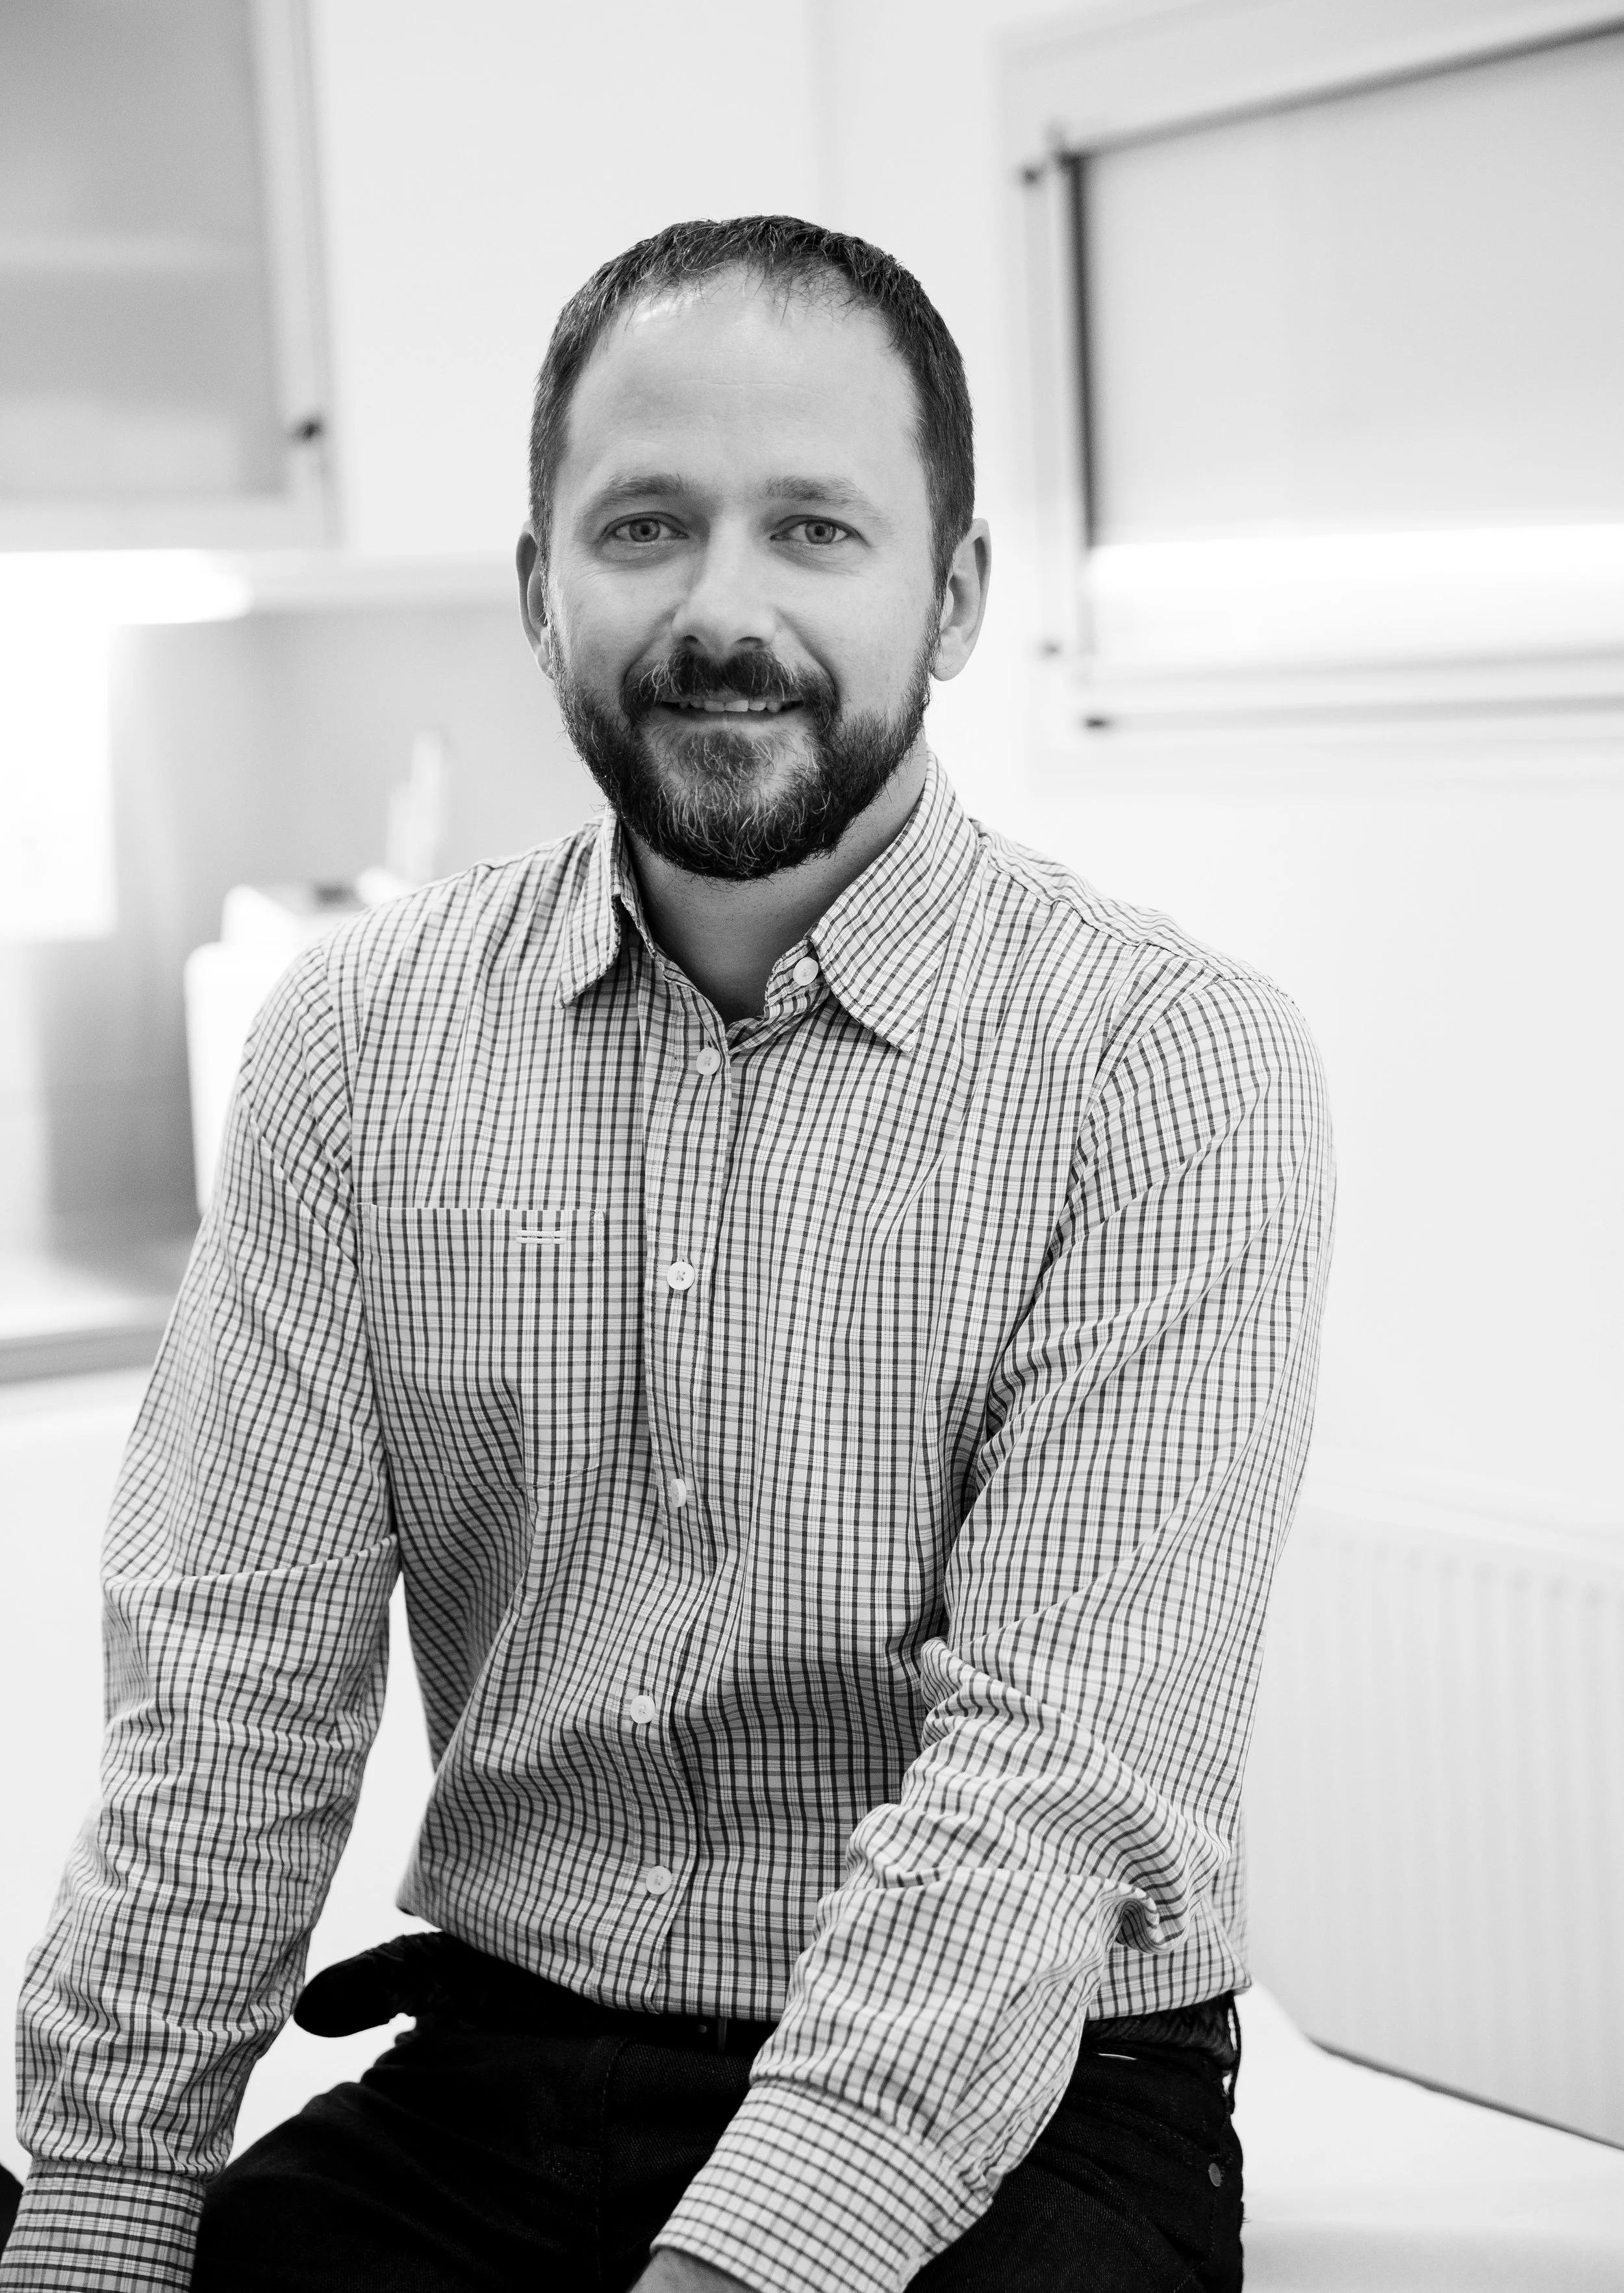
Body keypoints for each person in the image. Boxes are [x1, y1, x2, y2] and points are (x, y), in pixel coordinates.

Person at [0, 216, 1332, 2293]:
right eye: (645, 525)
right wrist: (100, 2215)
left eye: (814, 527)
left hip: (1024, 2107)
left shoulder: (1165, 1068)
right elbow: (231, 1693)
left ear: (954, 591)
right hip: (499, 2078)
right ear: (543, 586)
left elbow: (1052, 1778)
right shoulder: (356, 1045)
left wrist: (737, 2267)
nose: (723, 608)